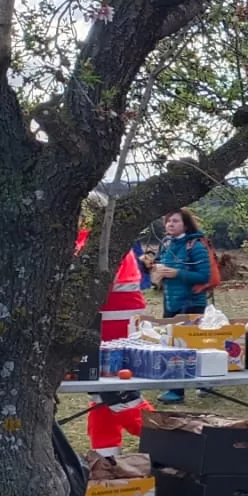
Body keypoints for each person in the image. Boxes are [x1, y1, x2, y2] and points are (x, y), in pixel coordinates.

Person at [80, 193, 153, 458]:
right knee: (102, 395)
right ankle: (106, 458)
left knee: (115, 394)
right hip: (114, 322)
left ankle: (168, 439)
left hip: (112, 325)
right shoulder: (110, 238)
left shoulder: (96, 242)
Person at [149, 208, 214, 403]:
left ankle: (191, 386)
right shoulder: (167, 243)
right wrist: (151, 267)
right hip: (171, 301)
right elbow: (159, 265)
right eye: (168, 221)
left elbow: (204, 276)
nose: (170, 224)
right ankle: (178, 388)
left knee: (191, 345)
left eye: (175, 221)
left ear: (185, 225)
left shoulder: (195, 246)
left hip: (191, 302)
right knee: (172, 345)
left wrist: (177, 274)